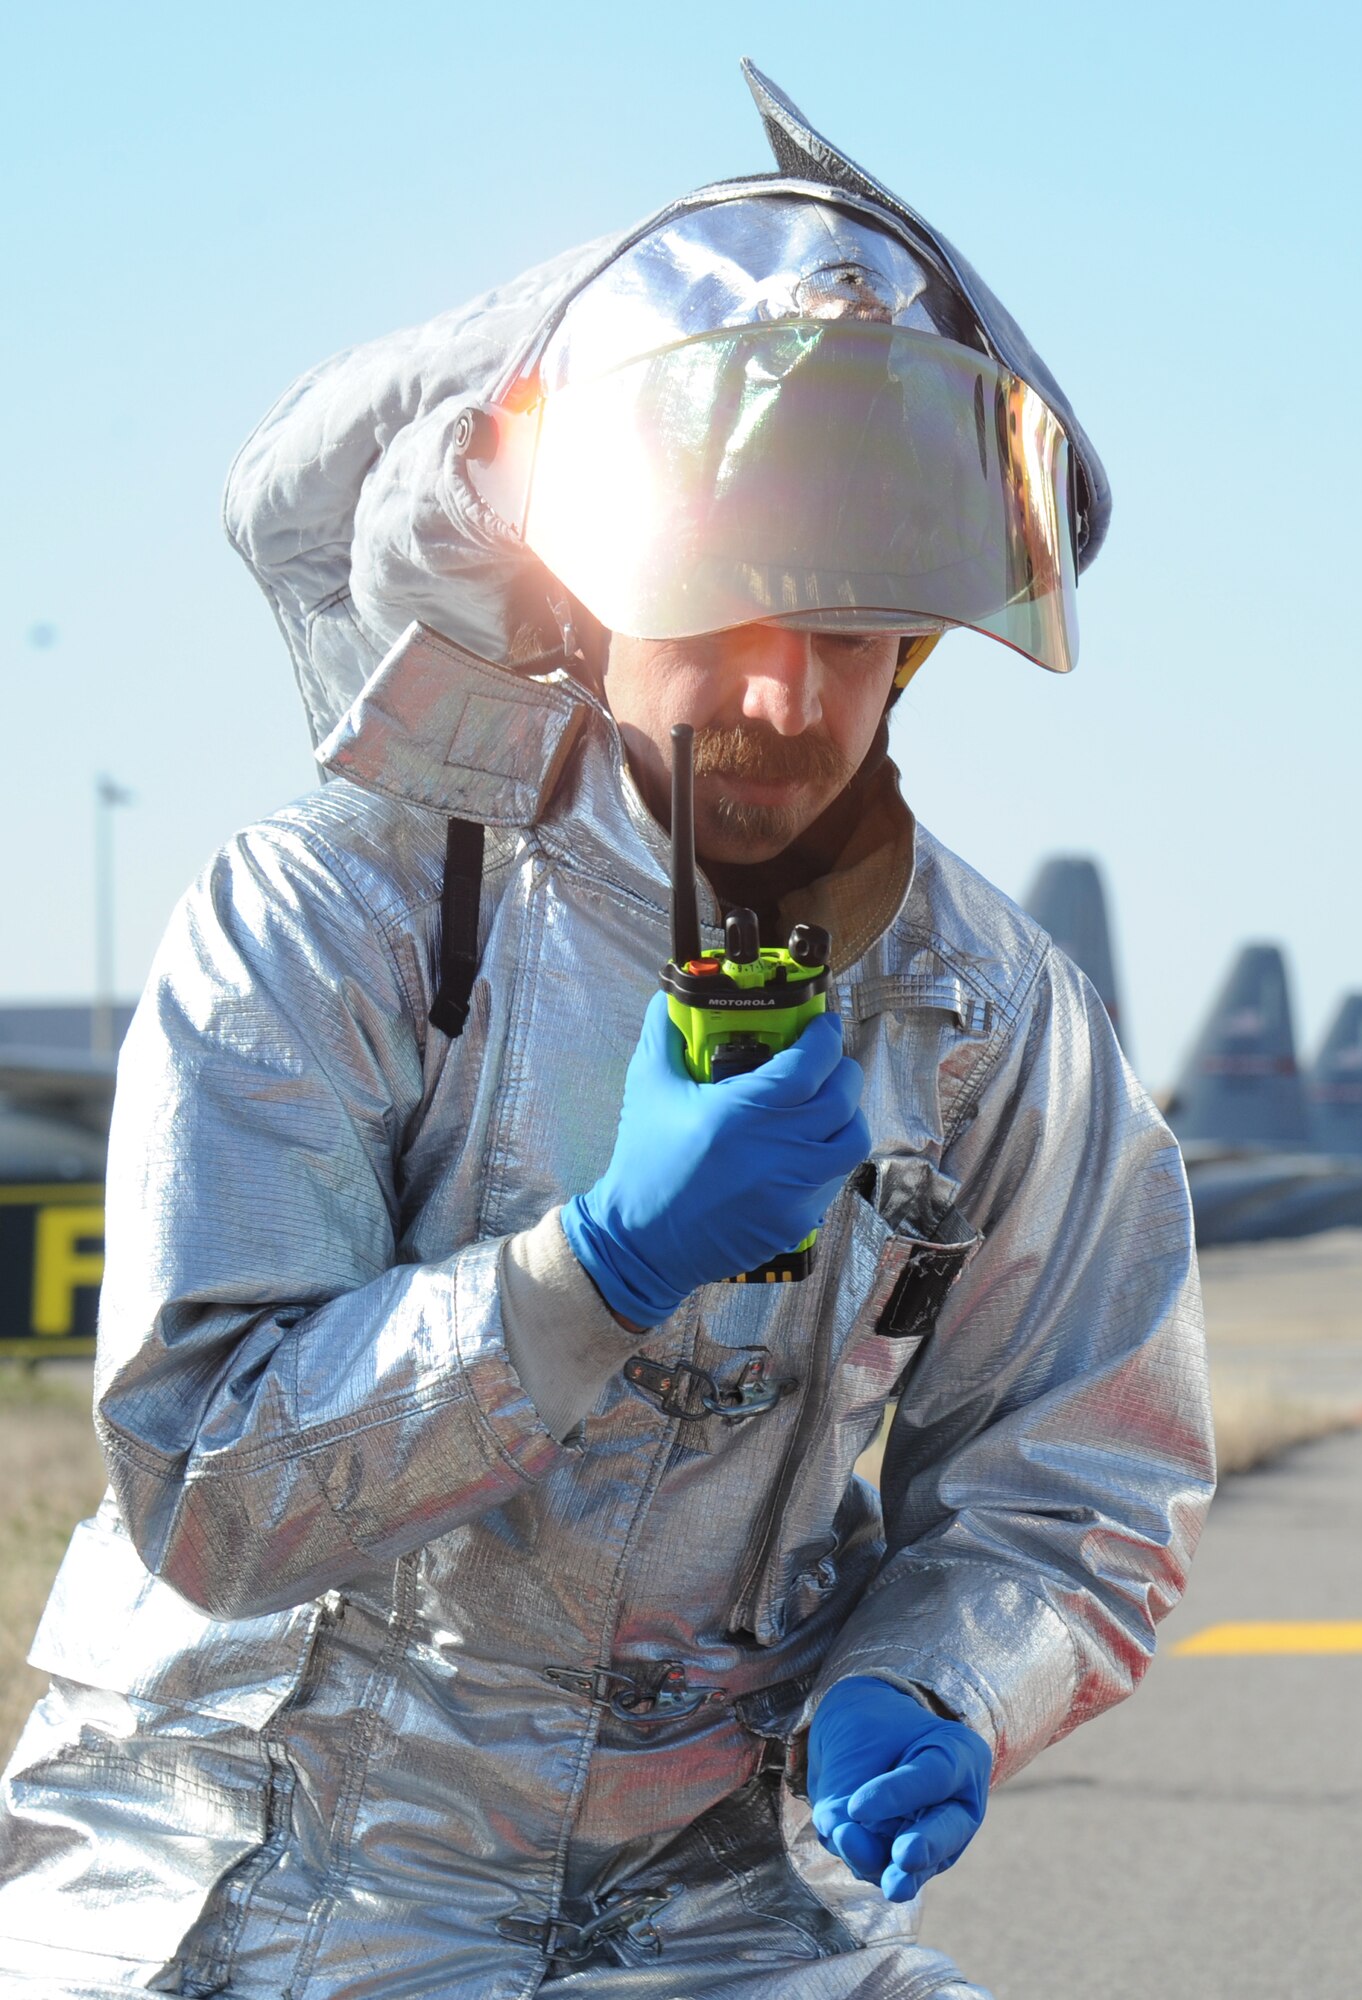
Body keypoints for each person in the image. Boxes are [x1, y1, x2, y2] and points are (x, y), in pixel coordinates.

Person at [0, 61, 1212, 1999]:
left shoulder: (988, 1018)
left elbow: (1078, 1462)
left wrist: (945, 1674)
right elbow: (208, 1486)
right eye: (724, 601)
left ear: (915, 642)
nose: (774, 686)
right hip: (252, 1861)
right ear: (582, 585)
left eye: (843, 627)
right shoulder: (331, 914)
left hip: (710, 1906)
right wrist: (595, 1266)